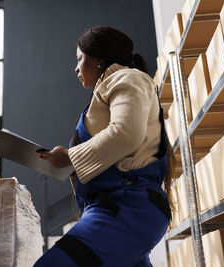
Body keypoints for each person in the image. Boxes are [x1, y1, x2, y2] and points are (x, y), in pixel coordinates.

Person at [35, 26, 174, 267]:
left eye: (80, 59)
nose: (76, 67)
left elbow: (126, 133)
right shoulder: (110, 88)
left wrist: (69, 156)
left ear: (98, 58)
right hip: (121, 208)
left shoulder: (128, 78)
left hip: (127, 208)